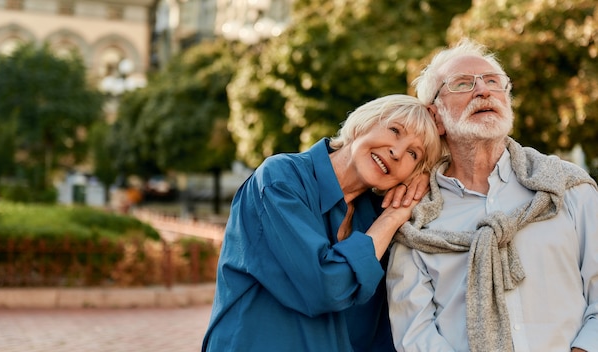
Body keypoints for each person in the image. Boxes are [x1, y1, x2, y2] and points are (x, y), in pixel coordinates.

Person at [386, 38, 598, 352]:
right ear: (436, 117)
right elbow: (414, 332)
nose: (483, 91)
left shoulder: (568, 188)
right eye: (462, 84)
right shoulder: (415, 215)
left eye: (493, 82)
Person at [202, 94, 443, 352]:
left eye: (413, 154)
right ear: (363, 123)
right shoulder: (280, 180)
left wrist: (429, 178)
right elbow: (326, 286)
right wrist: (394, 216)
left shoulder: (373, 215)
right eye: (395, 130)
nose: (396, 152)